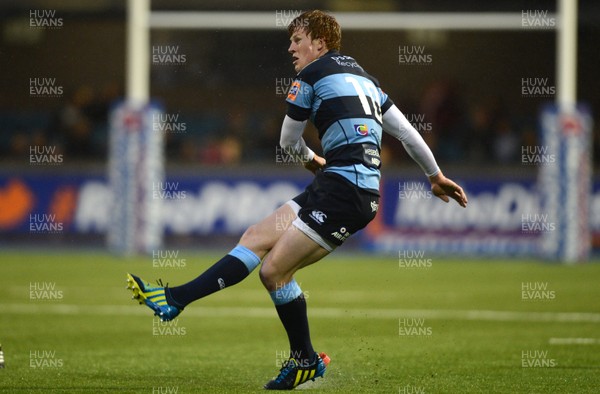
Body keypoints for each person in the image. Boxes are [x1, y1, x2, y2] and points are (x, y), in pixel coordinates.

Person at [126, 10, 468, 390]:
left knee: (273, 271)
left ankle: (297, 355)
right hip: (341, 185)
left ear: (319, 43)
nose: (291, 48)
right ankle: (179, 300)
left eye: (297, 40)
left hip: (344, 191)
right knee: (256, 236)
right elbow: (407, 134)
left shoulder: (309, 76)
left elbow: (288, 143)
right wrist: (434, 175)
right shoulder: (366, 80)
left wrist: (310, 161)